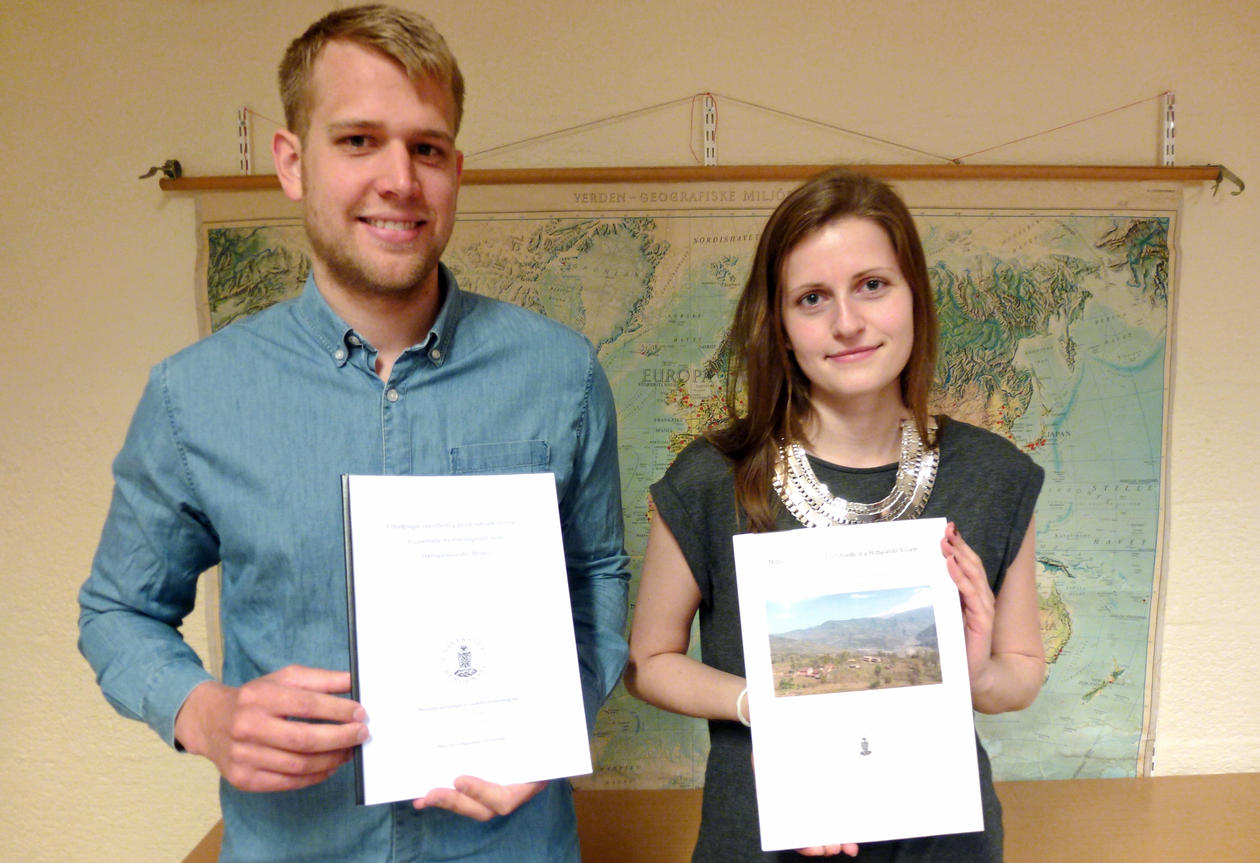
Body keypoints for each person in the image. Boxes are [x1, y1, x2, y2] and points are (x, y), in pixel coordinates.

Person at [77, 6, 628, 862]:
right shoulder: (194, 397)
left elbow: (596, 576)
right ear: (292, 163)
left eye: (427, 148)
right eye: (359, 140)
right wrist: (203, 713)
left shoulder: (562, 376)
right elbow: (118, 610)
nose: (399, 180)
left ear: (455, 171)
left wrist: (556, 723)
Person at [624, 168, 1045, 862]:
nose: (847, 322)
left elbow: (1021, 669)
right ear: (781, 326)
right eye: (812, 298)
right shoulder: (710, 477)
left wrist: (974, 674)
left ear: (915, 296)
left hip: (943, 842)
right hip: (763, 838)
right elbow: (649, 662)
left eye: (872, 285)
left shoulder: (993, 474)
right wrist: (766, 704)